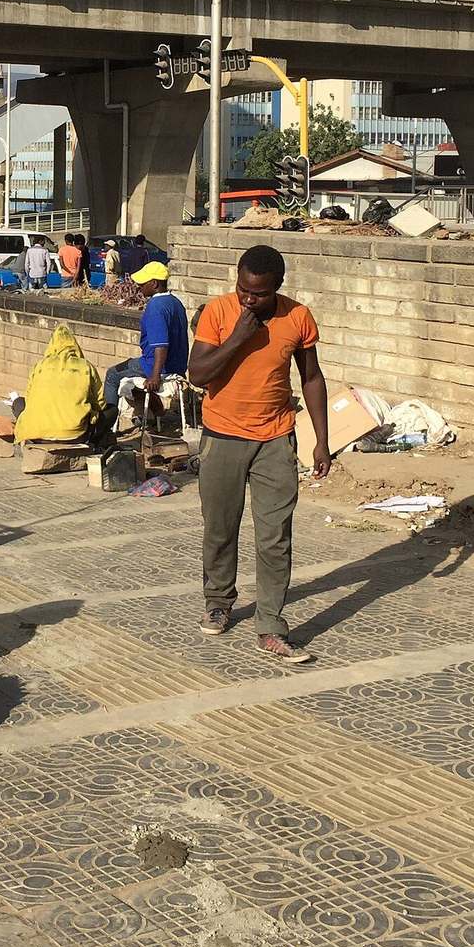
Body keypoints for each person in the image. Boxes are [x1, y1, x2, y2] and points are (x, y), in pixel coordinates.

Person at [188, 243, 330, 668]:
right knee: (220, 527)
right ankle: (219, 600)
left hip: (275, 438)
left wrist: (321, 439)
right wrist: (238, 336)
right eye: (243, 291)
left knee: (275, 537)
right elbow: (198, 374)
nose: (249, 300)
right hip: (222, 437)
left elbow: (312, 376)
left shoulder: (297, 317)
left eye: (260, 294)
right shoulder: (217, 313)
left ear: (277, 287)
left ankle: (270, 623)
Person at [102, 260, 190, 412]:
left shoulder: (155, 307)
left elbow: (161, 345)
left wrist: (155, 376)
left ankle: (107, 424)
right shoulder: (175, 302)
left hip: (155, 366)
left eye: (143, 283)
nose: (139, 286)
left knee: (112, 374)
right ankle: (153, 412)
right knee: (129, 372)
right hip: (178, 365)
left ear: (154, 284)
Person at [13, 323, 106, 445]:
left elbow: (29, 399)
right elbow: (100, 403)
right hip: (75, 435)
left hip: (36, 434)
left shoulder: (40, 365)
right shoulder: (85, 366)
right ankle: (95, 444)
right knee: (111, 411)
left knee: (18, 402)